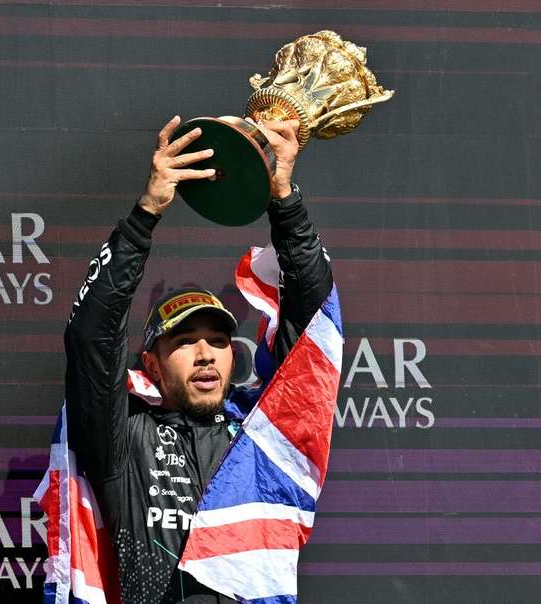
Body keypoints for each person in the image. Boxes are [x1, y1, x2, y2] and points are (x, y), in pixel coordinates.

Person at [64, 115, 333, 603]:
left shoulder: (261, 437)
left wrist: (284, 199)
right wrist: (145, 215)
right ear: (151, 364)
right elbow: (91, 338)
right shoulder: (122, 438)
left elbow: (313, 329)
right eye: (185, 341)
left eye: (218, 339)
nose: (206, 352)